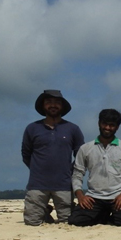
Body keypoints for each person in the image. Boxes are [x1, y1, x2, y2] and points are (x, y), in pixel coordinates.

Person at [21, 90, 84, 225]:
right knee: (31, 222)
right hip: (37, 184)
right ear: (43, 106)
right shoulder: (32, 128)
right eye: (49, 102)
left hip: (64, 184)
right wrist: (37, 169)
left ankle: (46, 211)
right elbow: (26, 154)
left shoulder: (73, 129)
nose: (53, 105)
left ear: (62, 106)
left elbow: (80, 155)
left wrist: (70, 171)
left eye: (57, 102)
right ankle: (44, 212)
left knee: (68, 221)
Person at [68, 109, 121, 226]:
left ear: (117, 127)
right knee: (75, 221)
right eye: (104, 124)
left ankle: (103, 216)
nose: (107, 128)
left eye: (112, 125)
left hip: (118, 196)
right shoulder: (85, 148)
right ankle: (102, 214)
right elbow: (77, 174)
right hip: (94, 197)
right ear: (99, 123)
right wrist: (80, 195)